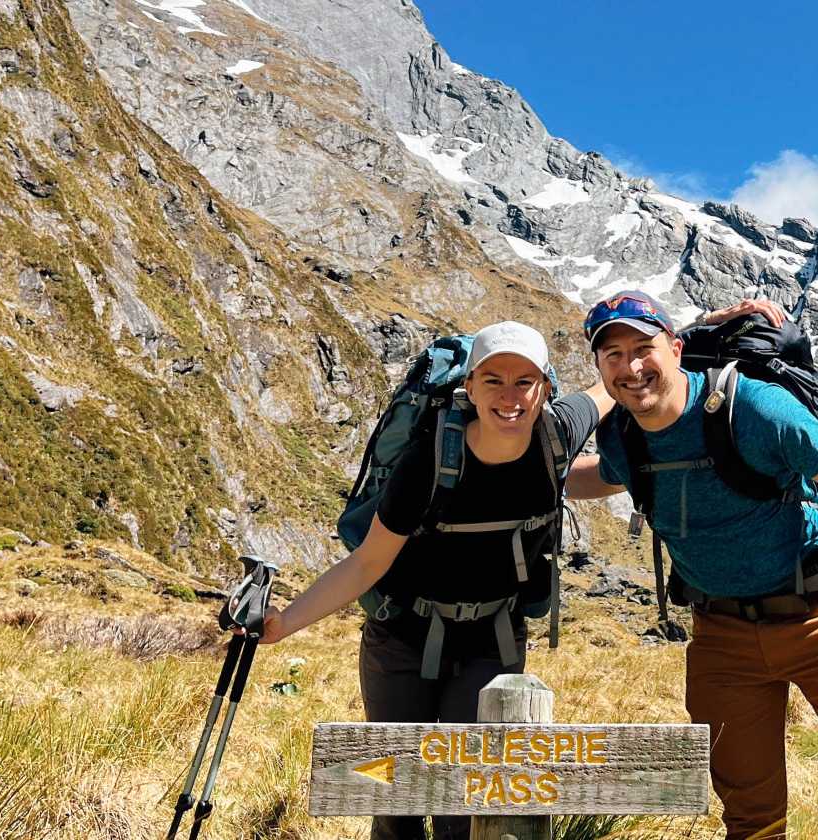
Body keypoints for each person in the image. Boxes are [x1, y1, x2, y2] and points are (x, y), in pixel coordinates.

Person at [567, 289, 818, 840]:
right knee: (751, 819)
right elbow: (602, 476)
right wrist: (524, 466)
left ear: (676, 349)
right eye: (613, 355)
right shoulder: (622, 436)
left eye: (644, 349)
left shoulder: (754, 408)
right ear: (599, 366)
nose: (631, 367)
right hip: (721, 639)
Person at [251, 321, 608, 840]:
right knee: (394, 798)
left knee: (466, 803)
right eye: (493, 380)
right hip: (402, 636)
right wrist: (283, 624)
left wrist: (691, 342)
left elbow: (616, 385)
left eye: (524, 382)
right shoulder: (429, 458)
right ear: (470, 386)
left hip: (492, 641)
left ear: (545, 389)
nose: (510, 397)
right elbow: (367, 564)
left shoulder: (560, 431)